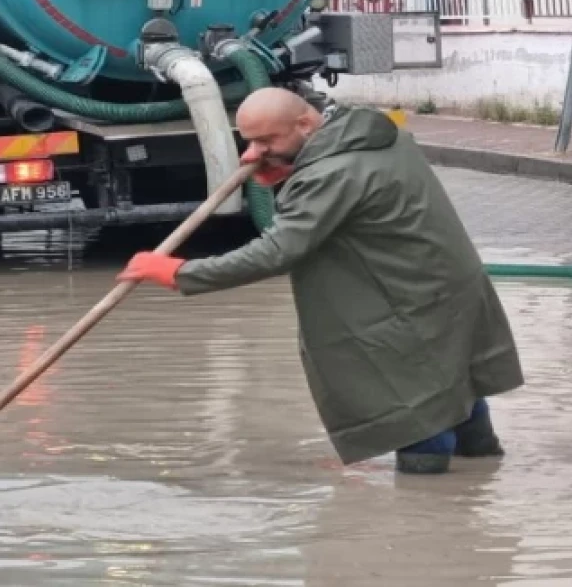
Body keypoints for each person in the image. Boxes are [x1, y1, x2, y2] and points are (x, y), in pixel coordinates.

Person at [117, 87, 525, 474]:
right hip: (446, 288)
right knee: (454, 384)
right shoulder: (377, 136)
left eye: (266, 140)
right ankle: (480, 474)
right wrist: (284, 164)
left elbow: (276, 252)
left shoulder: (331, 174)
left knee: (415, 409)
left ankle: (425, 503)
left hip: (407, 301)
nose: (254, 152)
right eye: (250, 141)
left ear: (305, 125)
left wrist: (178, 272)